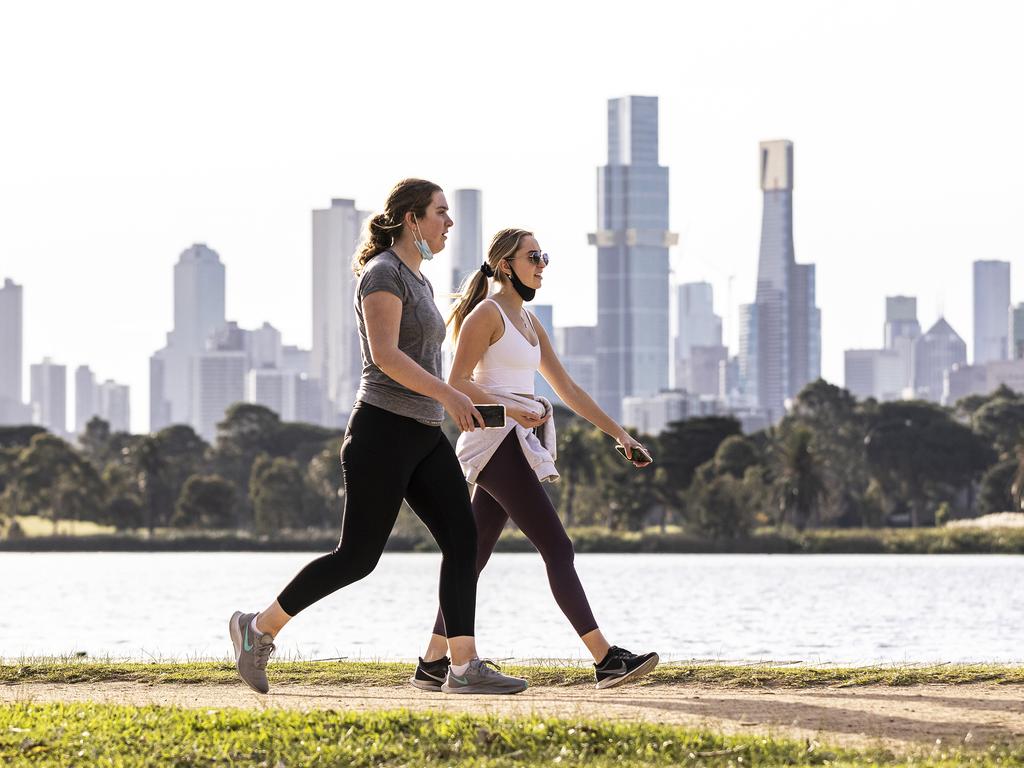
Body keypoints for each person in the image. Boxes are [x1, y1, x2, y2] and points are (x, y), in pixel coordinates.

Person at [229, 179, 527, 695]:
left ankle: (461, 665)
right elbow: (387, 356)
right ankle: (257, 629)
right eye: (440, 213)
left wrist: (471, 401)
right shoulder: (382, 273)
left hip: (423, 431)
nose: (449, 223)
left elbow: (427, 359)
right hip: (382, 431)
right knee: (357, 558)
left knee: (463, 539)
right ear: (412, 219)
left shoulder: (418, 278)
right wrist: (452, 397)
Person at [409, 228, 659, 692]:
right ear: (506, 265)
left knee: (474, 555)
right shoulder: (487, 314)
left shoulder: (527, 320)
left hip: (518, 439)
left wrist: (620, 435)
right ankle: (606, 660)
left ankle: (432, 662)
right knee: (557, 547)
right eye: (534, 256)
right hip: (496, 440)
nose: (542, 264)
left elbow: (569, 390)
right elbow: (457, 380)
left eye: (544, 256)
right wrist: (510, 408)